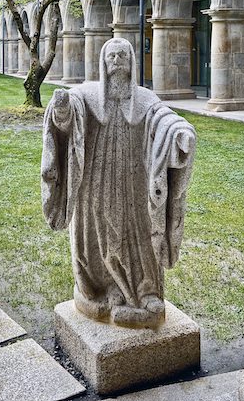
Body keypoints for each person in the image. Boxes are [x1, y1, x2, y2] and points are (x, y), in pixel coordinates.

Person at [41, 38, 196, 328]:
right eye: (111, 55)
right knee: (94, 233)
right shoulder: (86, 96)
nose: (117, 60)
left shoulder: (145, 99)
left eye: (123, 55)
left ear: (132, 61)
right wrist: (61, 110)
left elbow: (164, 118)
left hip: (133, 184)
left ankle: (145, 292)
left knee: (139, 233)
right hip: (94, 185)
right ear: (102, 62)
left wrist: (179, 132)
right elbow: (67, 117)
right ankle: (97, 290)